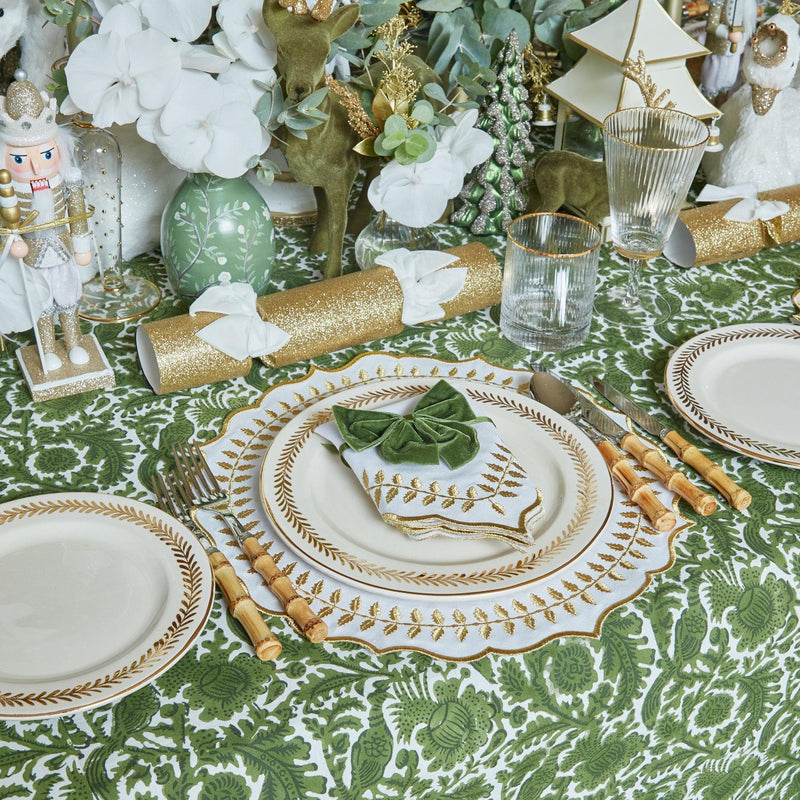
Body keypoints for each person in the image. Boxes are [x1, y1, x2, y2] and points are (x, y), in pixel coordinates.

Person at [0, 70, 92, 371]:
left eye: (46, 154)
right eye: (20, 159)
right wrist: (13, 242)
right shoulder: (8, 192)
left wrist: (81, 247)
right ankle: (48, 349)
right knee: (41, 303)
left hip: (62, 252)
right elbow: (6, 224)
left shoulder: (68, 183)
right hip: (32, 259)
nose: (36, 167)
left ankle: (75, 342)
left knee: (68, 300)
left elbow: (77, 215)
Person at [700, 0, 758, 105]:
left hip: (735, 52)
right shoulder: (718, 2)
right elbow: (711, 25)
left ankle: (722, 105)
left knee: (728, 82)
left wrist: (743, 42)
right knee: (712, 81)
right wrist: (728, 34)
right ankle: (706, 104)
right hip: (718, 49)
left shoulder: (746, 3)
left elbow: (746, 24)